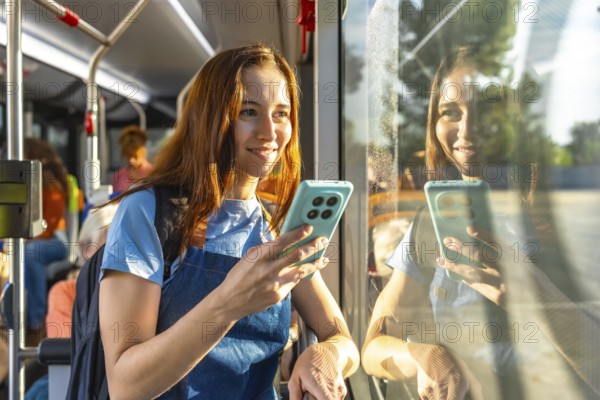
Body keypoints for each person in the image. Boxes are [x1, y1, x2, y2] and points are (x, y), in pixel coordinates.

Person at [99, 44, 359, 399]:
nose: (270, 132)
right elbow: (125, 385)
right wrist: (229, 304)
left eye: (281, 114)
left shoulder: (278, 225)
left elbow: (342, 339)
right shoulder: (148, 212)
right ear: (211, 118)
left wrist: (326, 354)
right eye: (249, 111)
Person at [361, 46, 600, 399]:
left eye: (487, 109)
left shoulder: (568, 220)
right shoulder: (432, 223)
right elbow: (373, 348)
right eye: (451, 112)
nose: (467, 129)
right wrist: (427, 355)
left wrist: (534, 297)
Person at [23, 138, 69, 331]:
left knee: (31, 253)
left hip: (57, 242)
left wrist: (25, 240)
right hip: (36, 238)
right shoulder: (30, 182)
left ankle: (36, 322)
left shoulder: (51, 185)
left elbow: (49, 226)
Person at [111, 125, 153, 194]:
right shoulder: (119, 176)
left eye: (135, 156)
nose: (131, 160)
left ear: (143, 151)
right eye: (128, 155)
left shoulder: (153, 173)